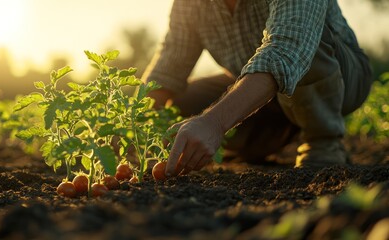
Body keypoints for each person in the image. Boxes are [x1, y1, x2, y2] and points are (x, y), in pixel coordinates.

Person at [142, 0, 373, 177]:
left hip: (340, 77)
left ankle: (323, 141)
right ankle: (265, 139)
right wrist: (134, 125)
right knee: (181, 107)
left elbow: (287, 49)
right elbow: (171, 64)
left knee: (306, 42)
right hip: (262, 91)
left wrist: (213, 123)